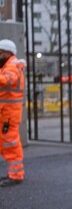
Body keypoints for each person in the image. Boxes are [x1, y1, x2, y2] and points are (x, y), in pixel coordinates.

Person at [0, 39, 26, 187]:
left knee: (10, 142)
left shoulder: (13, 66)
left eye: (0, 53)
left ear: (7, 53)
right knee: (4, 142)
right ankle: (13, 171)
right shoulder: (6, 66)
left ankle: (16, 174)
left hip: (9, 114)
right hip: (4, 112)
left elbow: (7, 81)